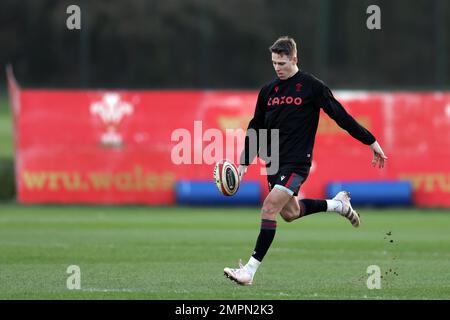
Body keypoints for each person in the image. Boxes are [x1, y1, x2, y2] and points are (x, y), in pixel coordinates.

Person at [223, 36, 387, 286]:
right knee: (290, 212)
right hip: (273, 160)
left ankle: (249, 271)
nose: (277, 67)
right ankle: (338, 205)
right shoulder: (268, 91)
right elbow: (256, 127)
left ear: (295, 59)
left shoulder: (312, 86)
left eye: (282, 62)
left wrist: (370, 140)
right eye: (274, 62)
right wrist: (244, 163)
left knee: (269, 207)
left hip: (297, 162)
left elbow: (341, 116)